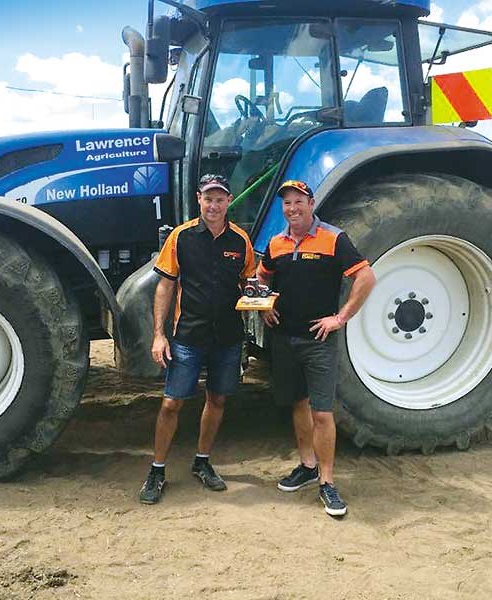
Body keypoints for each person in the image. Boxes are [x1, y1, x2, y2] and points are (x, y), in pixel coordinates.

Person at [257, 180, 376, 517]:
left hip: (318, 341)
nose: (292, 209)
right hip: (284, 338)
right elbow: (261, 277)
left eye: (298, 202)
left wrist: (340, 318)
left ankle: (327, 482)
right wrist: (264, 305)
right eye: (287, 204)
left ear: (311, 203)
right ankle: (307, 466)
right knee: (298, 403)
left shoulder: (333, 239)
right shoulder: (276, 244)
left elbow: (366, 277)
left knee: (322, 412)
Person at [139, 174, 256, 505]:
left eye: (220, 199)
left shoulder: (240, 240)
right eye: (208, 198)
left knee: (217, 400)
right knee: (171, 403)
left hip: (228, 337)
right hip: (188, 335)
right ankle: (157, 469)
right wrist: (159, 335)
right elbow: (165, 286)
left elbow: (249, 284)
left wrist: (261, 303)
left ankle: (202, 462)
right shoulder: (181, 237)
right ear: (199, 200)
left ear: (229, 200)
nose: (214, 205)